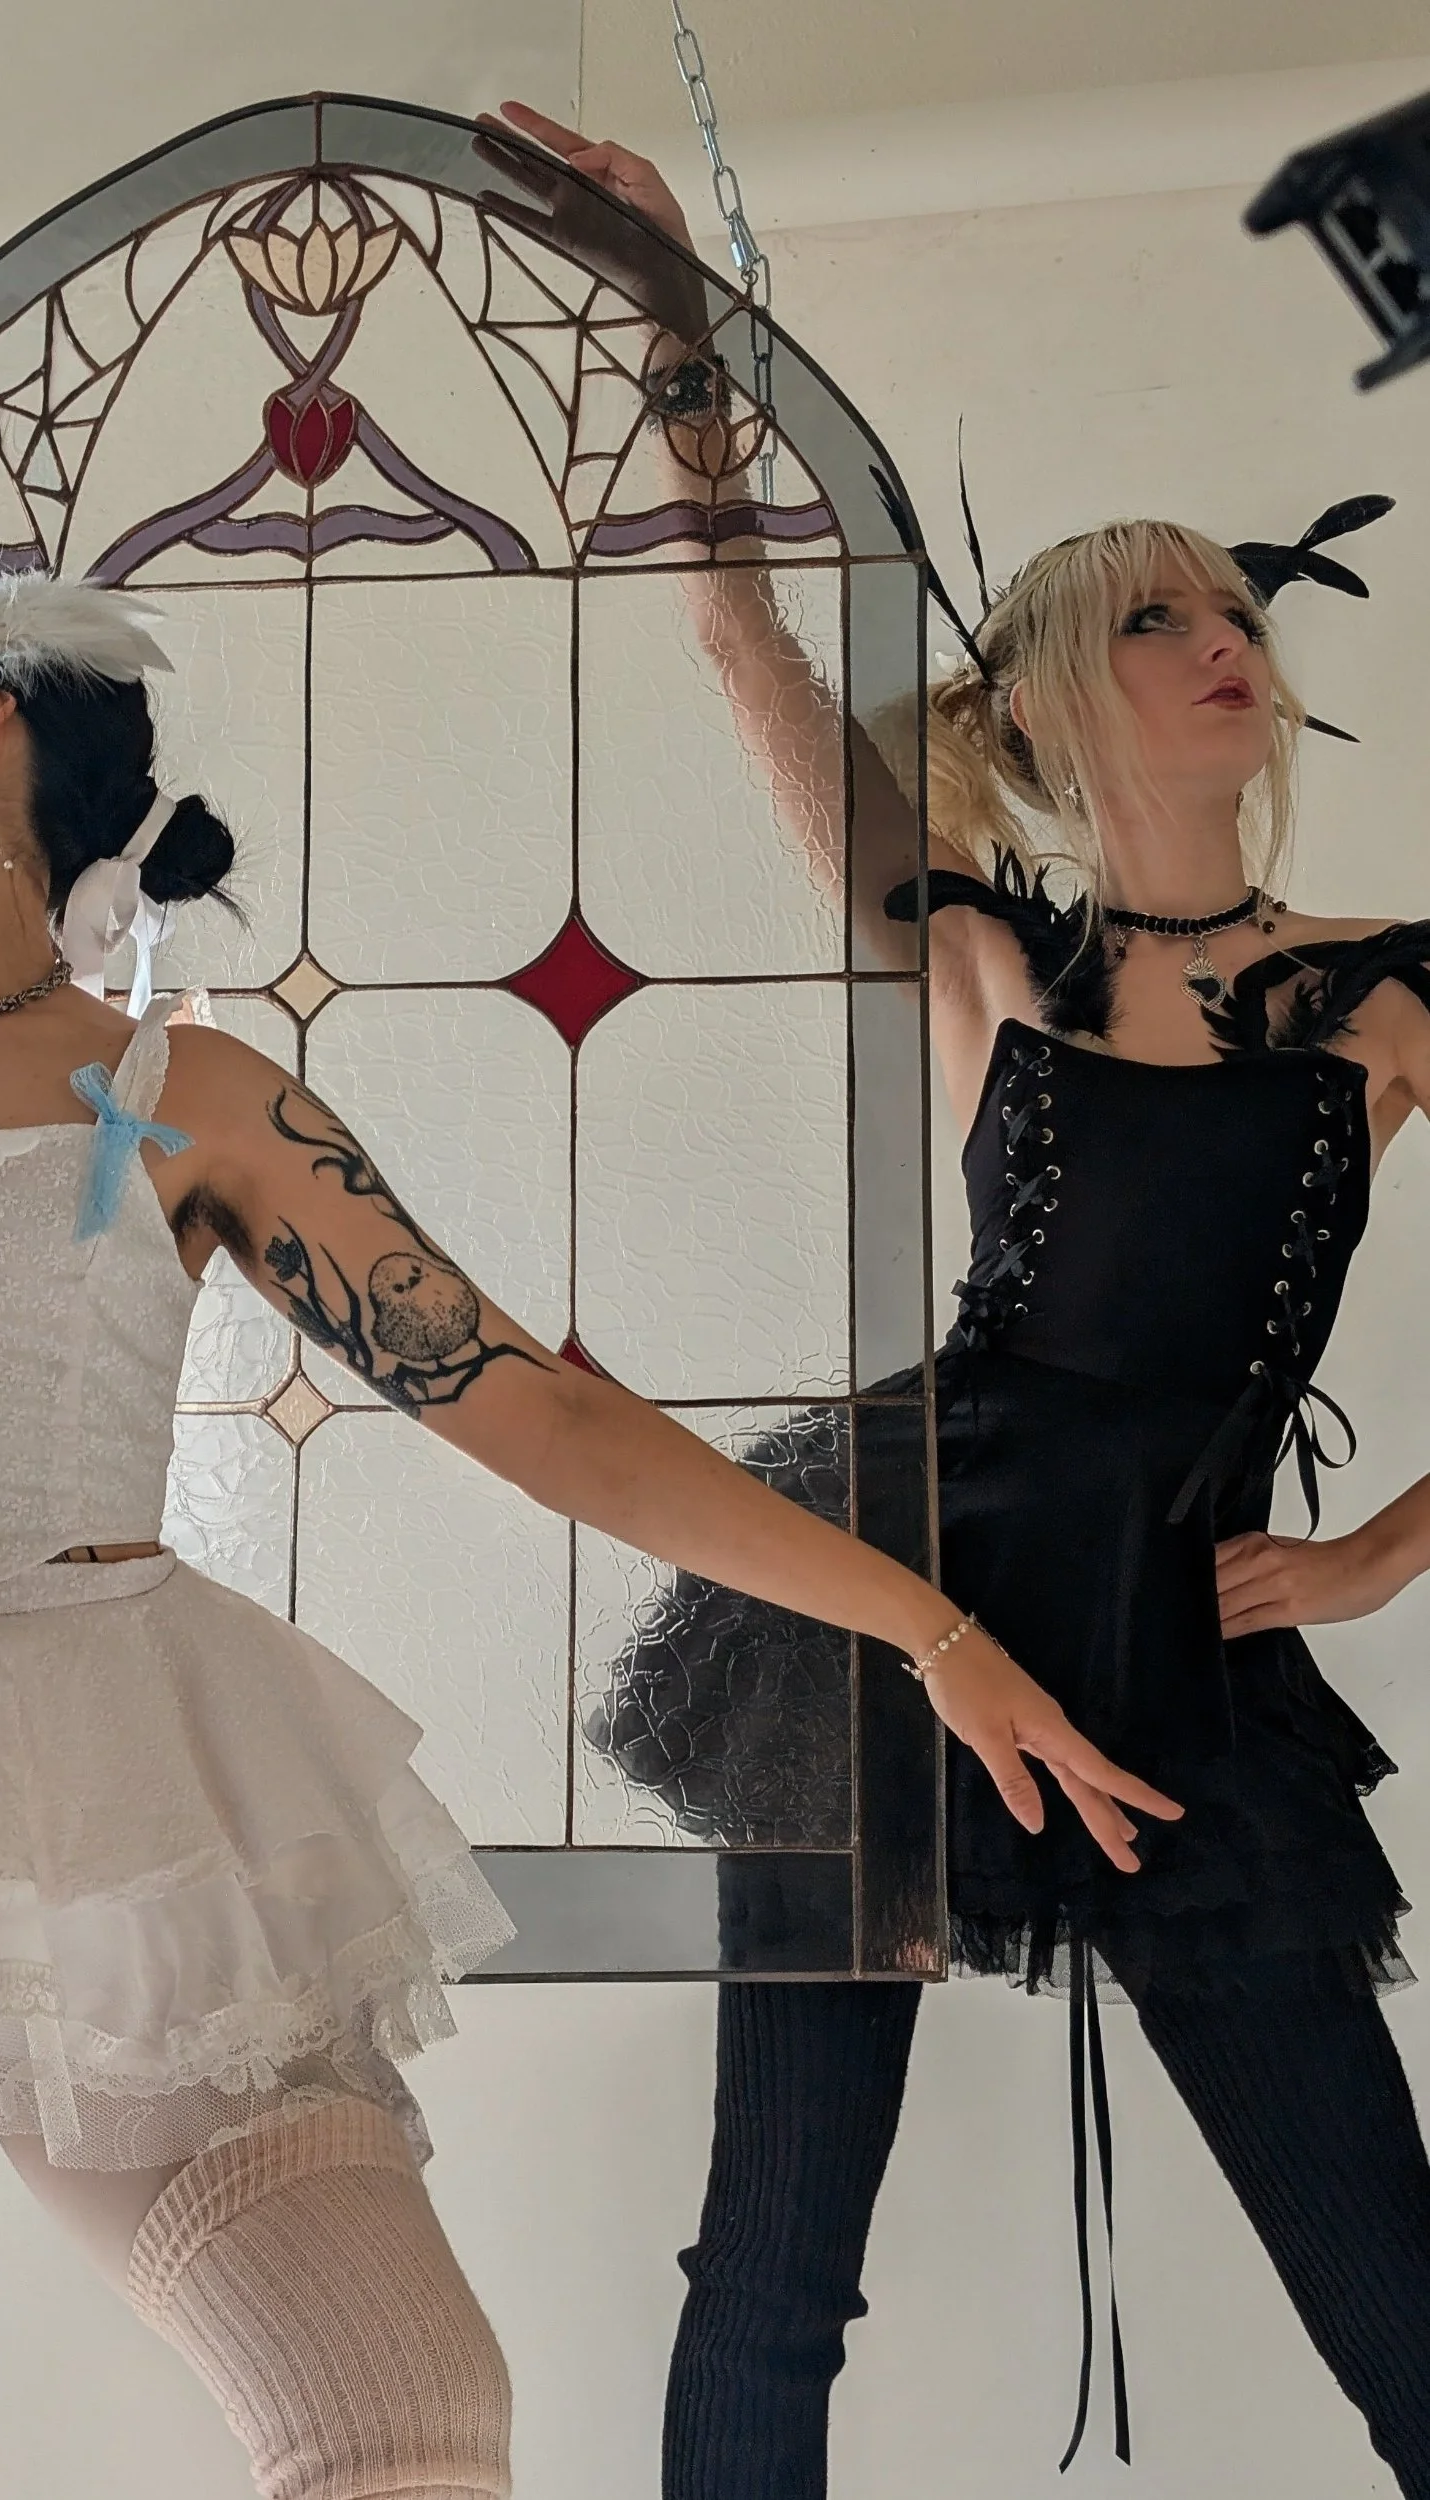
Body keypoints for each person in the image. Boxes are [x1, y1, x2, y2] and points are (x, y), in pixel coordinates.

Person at [0, 569, 1168, 2500]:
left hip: (97, 1779)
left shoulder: (194, 1101)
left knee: (401, 2419)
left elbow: (544, 1414)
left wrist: (933, 1633)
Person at [490, 100, 1430, 2500]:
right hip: (886, 1602)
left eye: (1233, 607)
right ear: (1031, 704)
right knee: (773, 2261)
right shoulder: (985, 950)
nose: (1221, 639)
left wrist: (1378, 1545)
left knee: (1397, 2295)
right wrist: (666, 315)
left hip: (1185, 1647)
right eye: (1152, 615)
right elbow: (731, 623)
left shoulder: (1390, 991)